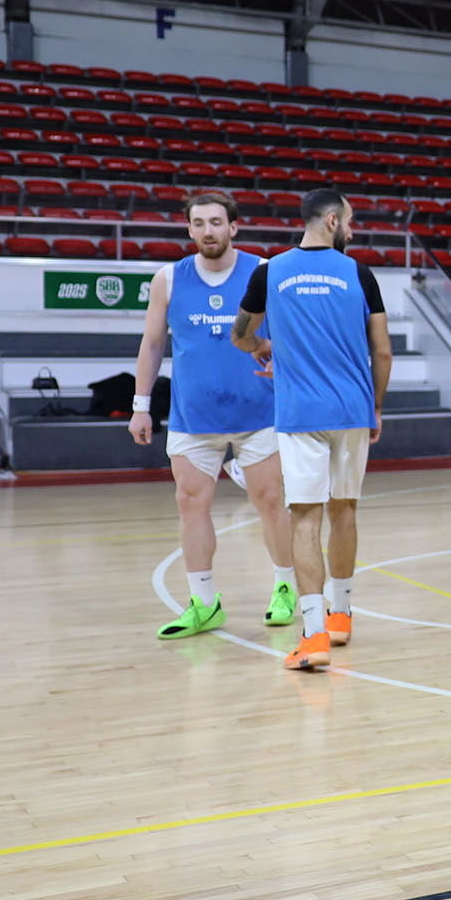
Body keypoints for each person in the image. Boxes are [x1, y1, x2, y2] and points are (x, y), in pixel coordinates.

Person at [231, 188, 393, 673]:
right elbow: (381, 351)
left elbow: (240, 334)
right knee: (345, 511)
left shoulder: (268, 272)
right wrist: (377, 408)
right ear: (330, 222)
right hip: (352, 411)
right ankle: (342, 615)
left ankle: (314, 633)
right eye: (349, 221)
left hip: (301, 414)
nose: (352, 229)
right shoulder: (359, 273)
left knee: (305, 517)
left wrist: (264, 347)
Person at [129, 189, 297, 638]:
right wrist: (140, 406)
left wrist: (281, 359)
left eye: (216, 222)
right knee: (190, 504)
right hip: (193, 416)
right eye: (199, 223)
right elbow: (151, 344)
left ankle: (285, 586)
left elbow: (285, 333)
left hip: (259, 412)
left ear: (234, 227)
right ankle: (204, 603)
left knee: (270, 500)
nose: (208, 231)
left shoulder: (262, 271)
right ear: (189, 229)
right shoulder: (167, 278)